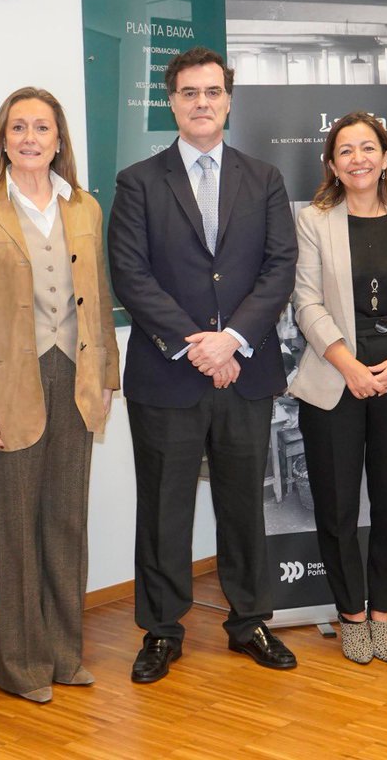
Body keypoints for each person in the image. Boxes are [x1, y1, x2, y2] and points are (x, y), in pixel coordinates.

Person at [108, 47, 299, 683]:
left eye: (212, 92)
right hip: (168, 374)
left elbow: (279, 268)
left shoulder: (264, 178)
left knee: (245, 504)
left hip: (246, 371)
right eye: (188, 92)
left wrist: (233, 339)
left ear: (228, 99)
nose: (201, 103)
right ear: (171, 101)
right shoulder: (138, 181)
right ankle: (161, 631)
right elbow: (130, 276)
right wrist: (196, 343)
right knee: (163, 508)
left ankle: (250, 621)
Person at [0, 87, 120, 702]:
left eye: (41, 128)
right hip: (3, 386)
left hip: (73, 378)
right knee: (14, 527)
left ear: (58, 139)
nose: (29, 138)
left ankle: (64, 653)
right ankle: (19, 666)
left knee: (65, 521)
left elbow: (98, 299)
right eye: (18, 127)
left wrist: (106, 378)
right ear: (2, 138)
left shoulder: (85, 208)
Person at [289, 112, 387, 664]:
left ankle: (384, 615)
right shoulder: (313, 221)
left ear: (386, 156)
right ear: (331, 163)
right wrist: (348, 364)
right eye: (346, 150)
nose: (358, 158)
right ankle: (352, 614)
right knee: (337, 507)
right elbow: (305, 301)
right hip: (335, 381)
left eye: (368, 147)